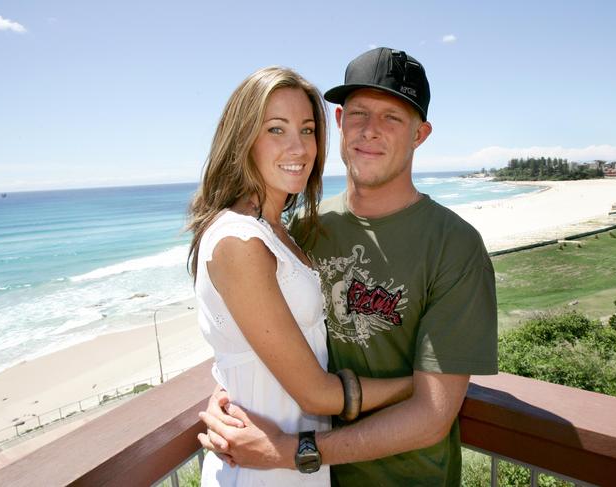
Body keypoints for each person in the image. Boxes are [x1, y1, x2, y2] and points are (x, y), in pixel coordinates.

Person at [198, 48, 498, 486]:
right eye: (358, 114)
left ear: (421, 134)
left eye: (392, 117)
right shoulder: (300, 233)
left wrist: (296, 452)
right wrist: (229, 393)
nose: (370, 131)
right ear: (338, 123)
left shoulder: (455, 246)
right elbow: (253, 335)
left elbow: (432, 417)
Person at [188, 66, 414, 486]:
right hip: (261, 468)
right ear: (243, 138)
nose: (298, 147)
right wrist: (423, 386)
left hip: (292, 460)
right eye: (276, 129)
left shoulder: (280, 233)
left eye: (308, 130)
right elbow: (318, 393)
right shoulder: (240, 241)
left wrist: (228, 386)